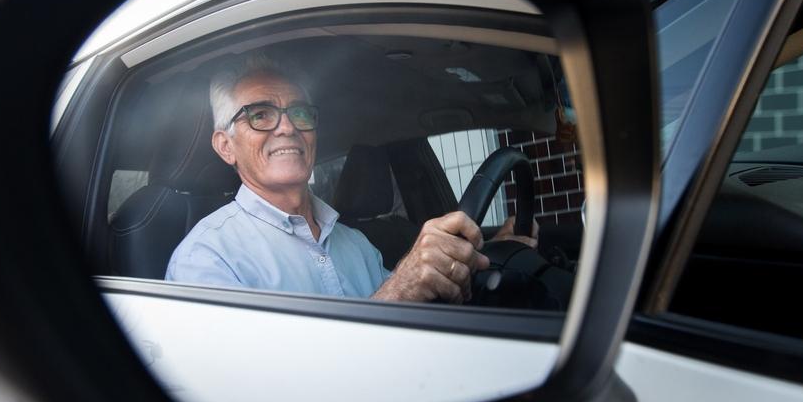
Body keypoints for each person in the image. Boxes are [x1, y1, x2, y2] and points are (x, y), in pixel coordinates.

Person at [164, 55, 534, 302]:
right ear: (225, 146)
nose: (288, 127)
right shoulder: (206, 260)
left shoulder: (356, 244)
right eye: (260, 114)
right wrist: (397, 292)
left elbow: (420, 314)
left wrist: (484, 259)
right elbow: (257, 393)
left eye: (300, 112)